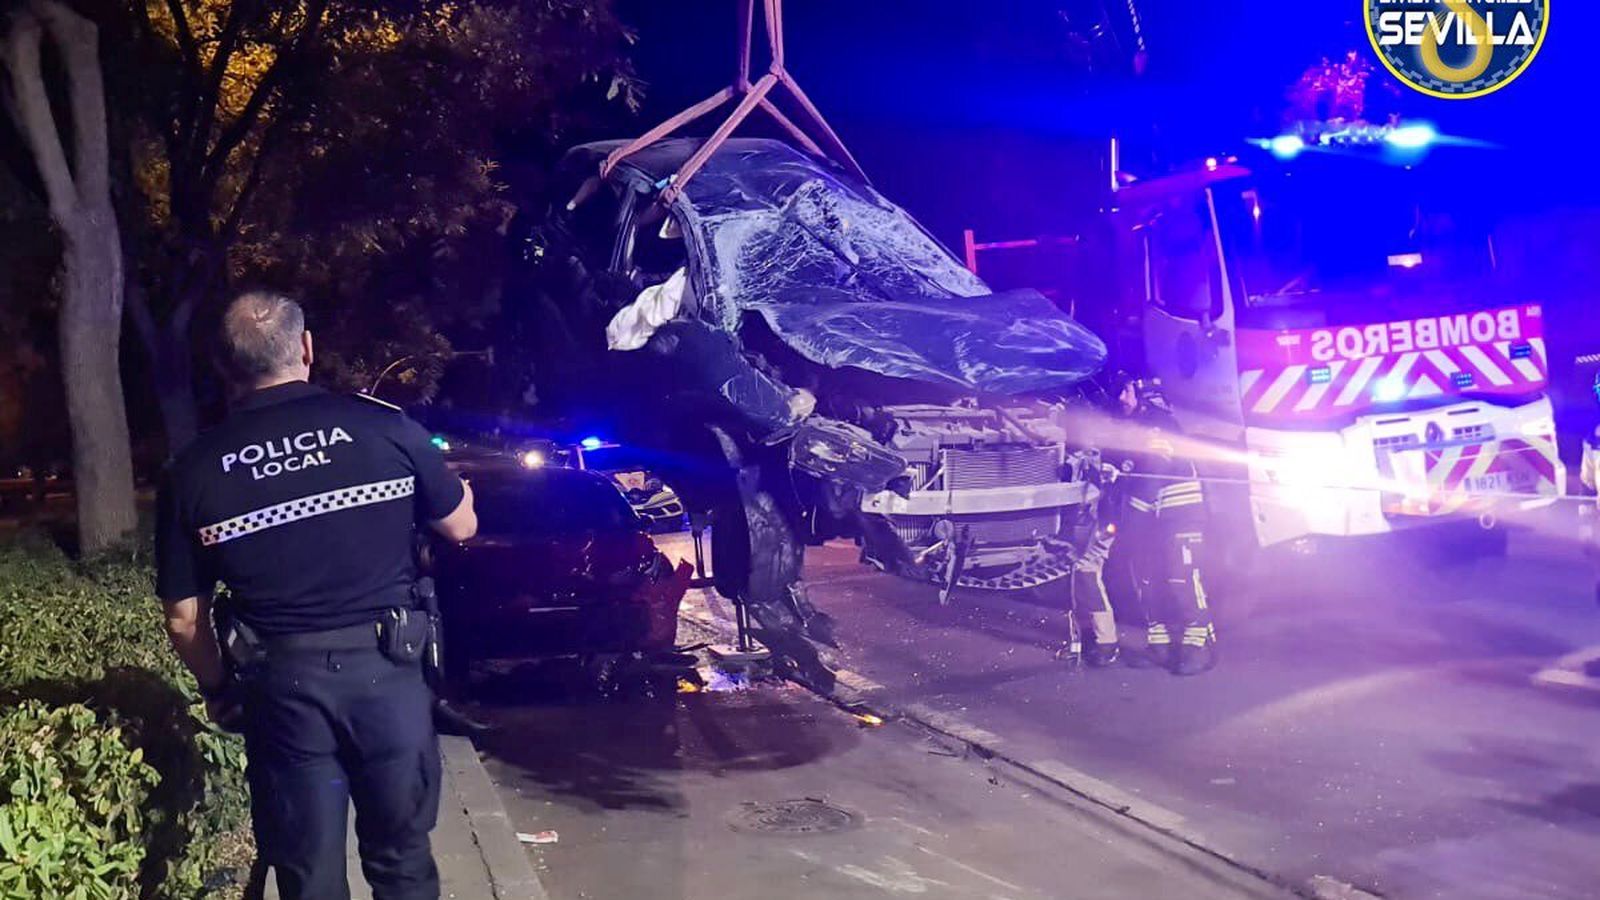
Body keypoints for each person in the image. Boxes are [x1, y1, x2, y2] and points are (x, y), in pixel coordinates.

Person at [157, 290, 477, 900]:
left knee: (307, 877)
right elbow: (460, 526)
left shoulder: (192, 471)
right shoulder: (382, 425)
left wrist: (220, 690)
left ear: (225, 367)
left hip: (283, 696)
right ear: (306, 347)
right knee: (404, 864)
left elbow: (182, 618)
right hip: (390, 678)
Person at [1108, 373, 1217, 676]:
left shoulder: (1159, 424)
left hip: (1180, 514)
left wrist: (1133, 514)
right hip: (1154, 518)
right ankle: (1161, 644)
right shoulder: (1136, 427)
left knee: (1180, 577)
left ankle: (1199, 645)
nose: (1121, 399)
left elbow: (1155, 469)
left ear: (1143, 396)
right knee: (1147, 578)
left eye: (1126, 391)